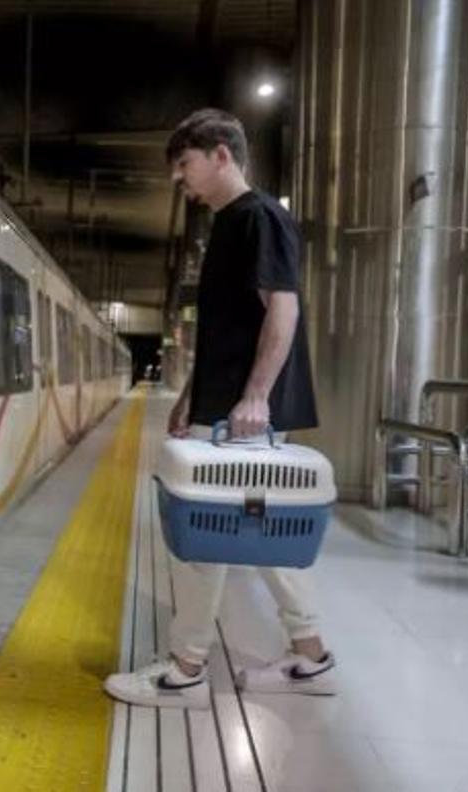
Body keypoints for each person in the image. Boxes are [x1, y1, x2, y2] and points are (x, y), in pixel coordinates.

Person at [104, 109, 335, 709]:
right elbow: (228, 327)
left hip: (242, 414)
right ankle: (311, 656)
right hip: (226, 406)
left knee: (204, 539)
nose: (181, 180)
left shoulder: (259, 217)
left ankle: (184, 671)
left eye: (184, 165)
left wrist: (255, 395)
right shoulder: (232, 224)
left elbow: (282, 310)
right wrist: (190, 394)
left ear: (221, 155)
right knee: (253, 530)